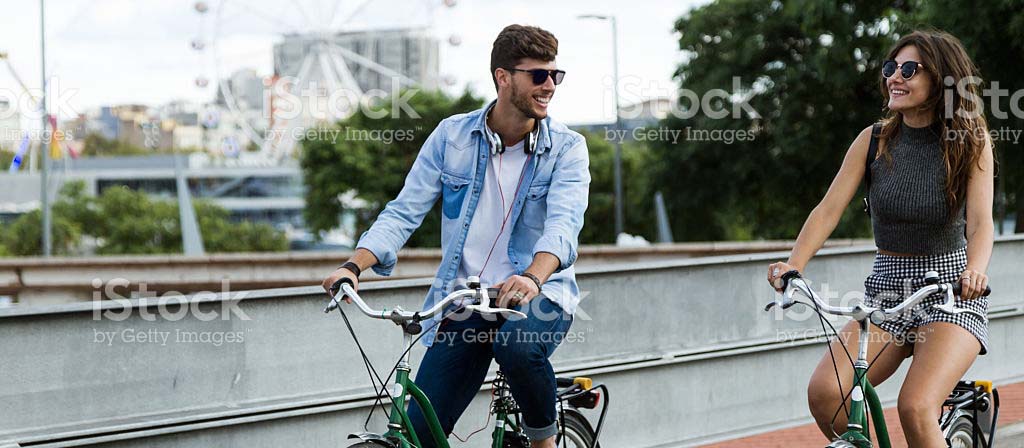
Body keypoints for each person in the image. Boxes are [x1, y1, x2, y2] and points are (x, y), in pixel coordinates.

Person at [322, 24, 590, 448]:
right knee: (420, 433)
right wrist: (354, 266)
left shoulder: (567, 148)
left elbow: (563, 225)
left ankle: (544, 442)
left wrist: (532, 278)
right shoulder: (452, 137)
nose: (549, 86)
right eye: (538, 75)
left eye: (554, 76)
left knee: (517, 349)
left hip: (539, 295)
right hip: (466, 303)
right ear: (504, 77)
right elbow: (404, 211)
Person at [766, 30, 994, 447]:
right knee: (827, 393)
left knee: (916, 407)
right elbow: (828, 210)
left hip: (950, 291)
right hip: (886, 291)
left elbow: (980, 224)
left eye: (909, 69)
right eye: (891, 68)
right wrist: (794, 263)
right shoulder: (873, 140)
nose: (895, 77)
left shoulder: (970, 141)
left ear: (940, 79)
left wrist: (975, 271)